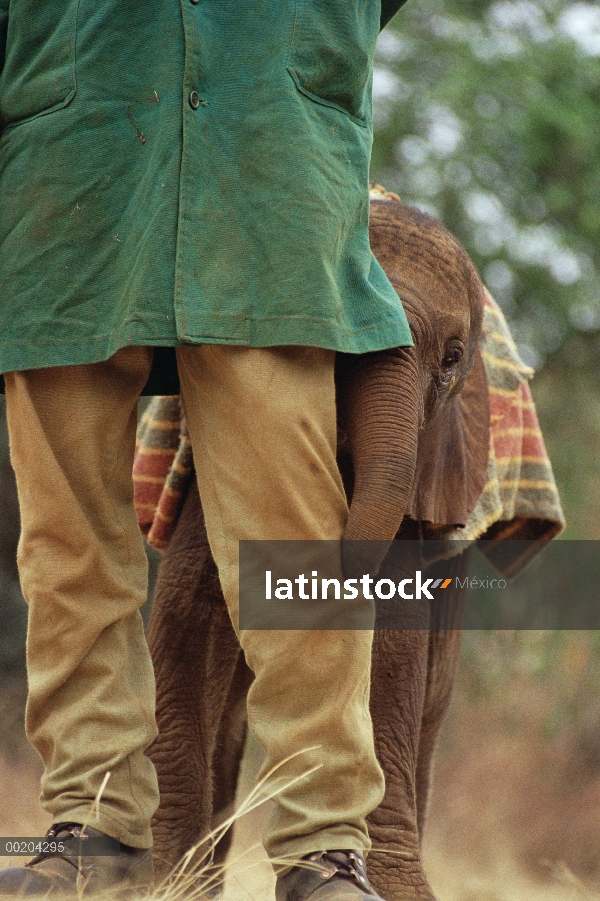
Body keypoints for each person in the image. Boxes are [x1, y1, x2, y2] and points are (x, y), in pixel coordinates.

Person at [0, 1, 411, 898]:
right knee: (67, 544)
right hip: (67, 163)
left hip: (273, 153)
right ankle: (94, 830)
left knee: (297, 544)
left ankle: (323, 846)